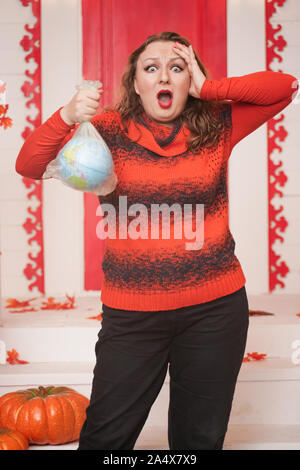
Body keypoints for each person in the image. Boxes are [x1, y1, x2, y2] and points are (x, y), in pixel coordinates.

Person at [15, 31, 298, 450]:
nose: (164, 76)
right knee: (106, 438)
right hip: (133, 315)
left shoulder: (216, 125)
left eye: (177, 68)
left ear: (189, 81)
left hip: (215, 312)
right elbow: (30, 164)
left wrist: (211, 88)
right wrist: (67, 115)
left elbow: (285, 87)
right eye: (152, 68)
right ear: (135, 83)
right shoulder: (108, 129)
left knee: (198, 441)